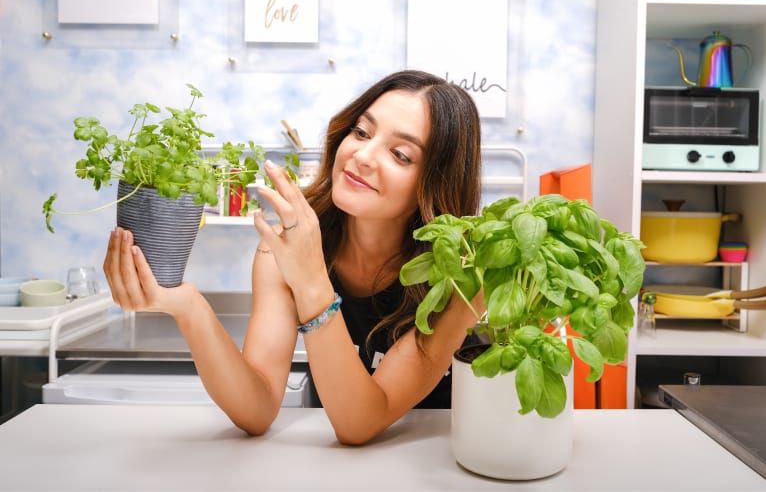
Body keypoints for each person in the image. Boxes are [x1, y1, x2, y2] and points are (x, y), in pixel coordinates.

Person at [103, 70, 484, 445]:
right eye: (362, 132)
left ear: (435, 184)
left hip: (436, 461)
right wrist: (189, 308)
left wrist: (312, 282)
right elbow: (257, 409)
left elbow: (359, 423)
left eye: (400, 154)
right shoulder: (285, 247)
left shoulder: (462, 276)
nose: (362, 155)